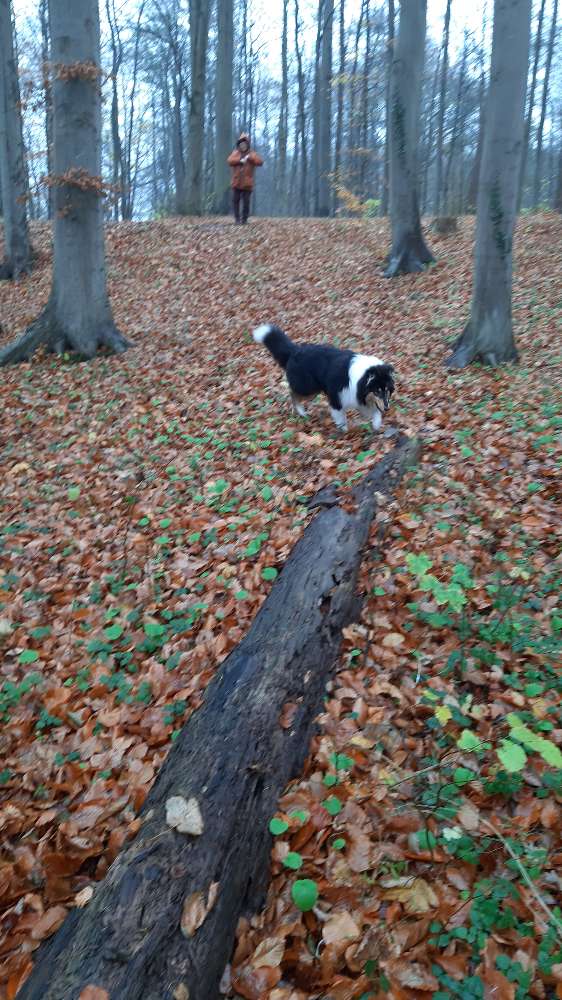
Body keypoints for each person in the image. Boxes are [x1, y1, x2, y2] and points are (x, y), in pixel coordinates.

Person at [227, 133, 263, 224]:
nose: (242, 146)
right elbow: (229, 161)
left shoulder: (252, 153)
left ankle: (244, 219)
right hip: (236, 182)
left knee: (246, 202)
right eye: (241, 144)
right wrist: (239, 161)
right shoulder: (235, 153)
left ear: (247, 144)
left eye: (244, 144)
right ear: (238, 145)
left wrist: (250, 158)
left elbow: (260, 162)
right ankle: (237, 219)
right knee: (235, 201)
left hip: (247, 183)